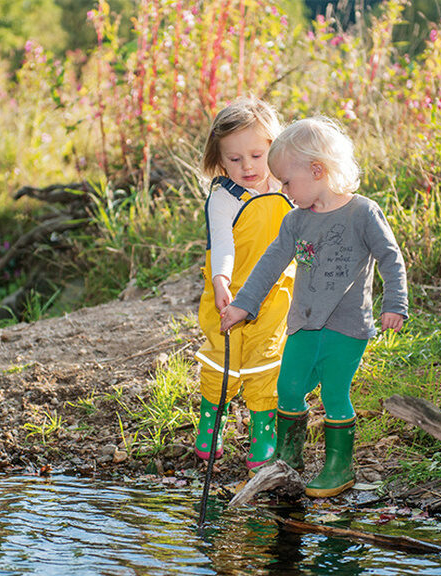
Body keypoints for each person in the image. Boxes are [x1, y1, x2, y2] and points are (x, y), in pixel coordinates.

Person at [220, 116, 408, 497]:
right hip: (303, 324)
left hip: (347, 326)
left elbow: (391, 258)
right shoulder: (295, 222)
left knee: (335, 393)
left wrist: (395, 303)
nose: (283, 190)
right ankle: (289, 458)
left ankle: (339, 467)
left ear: (317, 170)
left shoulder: (363, 213)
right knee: (289, 387)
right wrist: (242, 305)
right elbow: (270, 265)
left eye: (288, 181)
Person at [194, 96, 295, 471]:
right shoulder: (224, 198)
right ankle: (211, 420)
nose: (247, 167)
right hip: (229, 291)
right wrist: (221, 280)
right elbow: (222, 244)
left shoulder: (287, 188)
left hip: (275, 293)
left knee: (265, 359)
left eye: (256, 155)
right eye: (235, 159)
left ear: (275, 149)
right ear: (220, 160)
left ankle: (262, 430)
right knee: (223, 358)